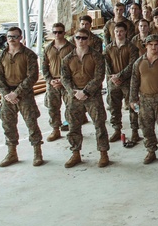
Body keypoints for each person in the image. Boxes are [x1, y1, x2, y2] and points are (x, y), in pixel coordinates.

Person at [0, 27, 44, 167]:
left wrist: (17, 92)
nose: (12, 39)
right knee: (8, 124)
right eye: (9, 36)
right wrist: (7, 94)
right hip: (8, 95)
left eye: (15, 36)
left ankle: (37, 152)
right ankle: (11, 153)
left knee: (31, 123)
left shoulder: (29, 55)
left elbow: (32, 76)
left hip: (24, 95)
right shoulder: (1, 56)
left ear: (20, 38)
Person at [60, 29, 110, 168]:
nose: (81, 40)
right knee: (73, 126)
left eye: (84, 38)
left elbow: (99, 77)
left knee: (99, 125)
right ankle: (75, 153)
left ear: (88, 39)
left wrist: (86, 91)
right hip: (74, 96)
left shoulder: (97, 57)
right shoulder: (67, 58)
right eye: (78, 38)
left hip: (92, 95)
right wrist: (73, 92)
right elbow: (64, 78)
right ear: (74, 39)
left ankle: (103, 153)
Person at [129, 35, 158, 164]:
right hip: (145, 99)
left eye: (156, 45)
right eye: (151, 45)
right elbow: (134, 82)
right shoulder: (138, 63)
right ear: (146, 46)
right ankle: (151, 151)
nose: (154, 47)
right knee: (146, 127)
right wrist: (133, 100)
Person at [104, 21, 139, 145]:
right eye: (116, 31)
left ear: (126, 32)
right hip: (113, 83)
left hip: (128, 82)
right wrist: (113, 78)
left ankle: (135, 131)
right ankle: (117, 130)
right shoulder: (108, 48)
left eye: (121, 31)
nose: (119, 33)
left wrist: (120, 76)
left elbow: (133, 65)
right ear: (114, 32)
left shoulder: (131, 47)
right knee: (114, 107)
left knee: (133, 107)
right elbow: (107, 65)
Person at [42, 22, 73, 142]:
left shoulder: (71, 48)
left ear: (64, 33)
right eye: (55, 32)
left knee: (71, 107)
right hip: (53, 82)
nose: (57, 34)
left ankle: (72, 129)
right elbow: (44, 66)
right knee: (52, 107)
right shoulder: (48, 48)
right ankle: (55, 129)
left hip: (67, 83)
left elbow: (75, 66)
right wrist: (49, 80)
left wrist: (64, 80)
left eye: (60, 32)